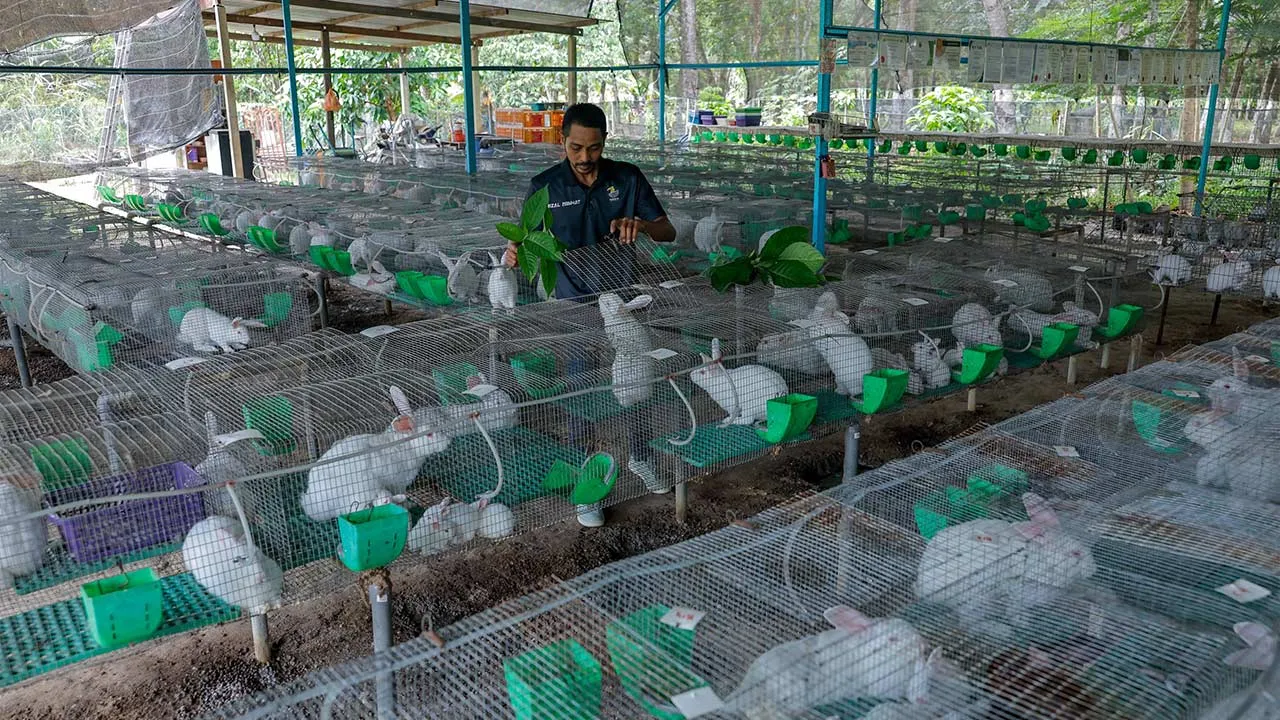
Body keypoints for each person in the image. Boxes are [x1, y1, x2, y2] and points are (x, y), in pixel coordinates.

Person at [506, 103, 677, 528]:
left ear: (605, 142)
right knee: (581, 385)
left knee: (635, 380)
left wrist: (640, 224)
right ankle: (588, 478)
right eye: (576, 148)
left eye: (594, 148)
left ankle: (641, 455)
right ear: (562, 141)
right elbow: (526, 242)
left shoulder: (628, 178)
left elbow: (667, 231)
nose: (585, 158)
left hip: (623, 299)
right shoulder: (543, 187)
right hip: (574, 303)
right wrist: (514, 252)